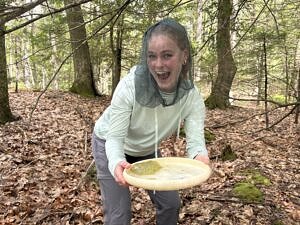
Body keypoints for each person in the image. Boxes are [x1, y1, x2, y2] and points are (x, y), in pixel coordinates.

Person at [92, 18, 210, 225]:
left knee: (171, 204)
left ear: (184, 55)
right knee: (119, 216)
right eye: (152, 56)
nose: (158, 65)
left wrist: (200, 160)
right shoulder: (129, 88)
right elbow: (114, 138)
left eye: (167, 55)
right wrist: (116, 161)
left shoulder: (192, 97)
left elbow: (196, 145)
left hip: (147, 149)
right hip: (108, 144)